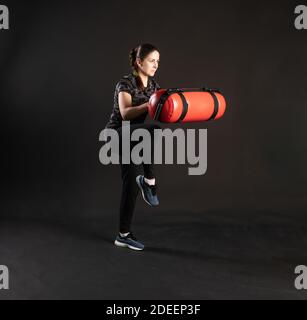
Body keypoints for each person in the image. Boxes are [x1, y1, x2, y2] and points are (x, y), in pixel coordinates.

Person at [105, 43, 162, 251]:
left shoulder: (153, 86)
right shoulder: (125, 83)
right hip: (118, 133)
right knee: (154, 131)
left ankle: (123, 235)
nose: (156, 65)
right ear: (139, 62)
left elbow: (160, 110)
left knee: (130, 186)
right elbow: (126, 114)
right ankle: (149, 181)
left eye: (158, 61)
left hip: (136, 137)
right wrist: (149, 105)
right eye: (151, 60)